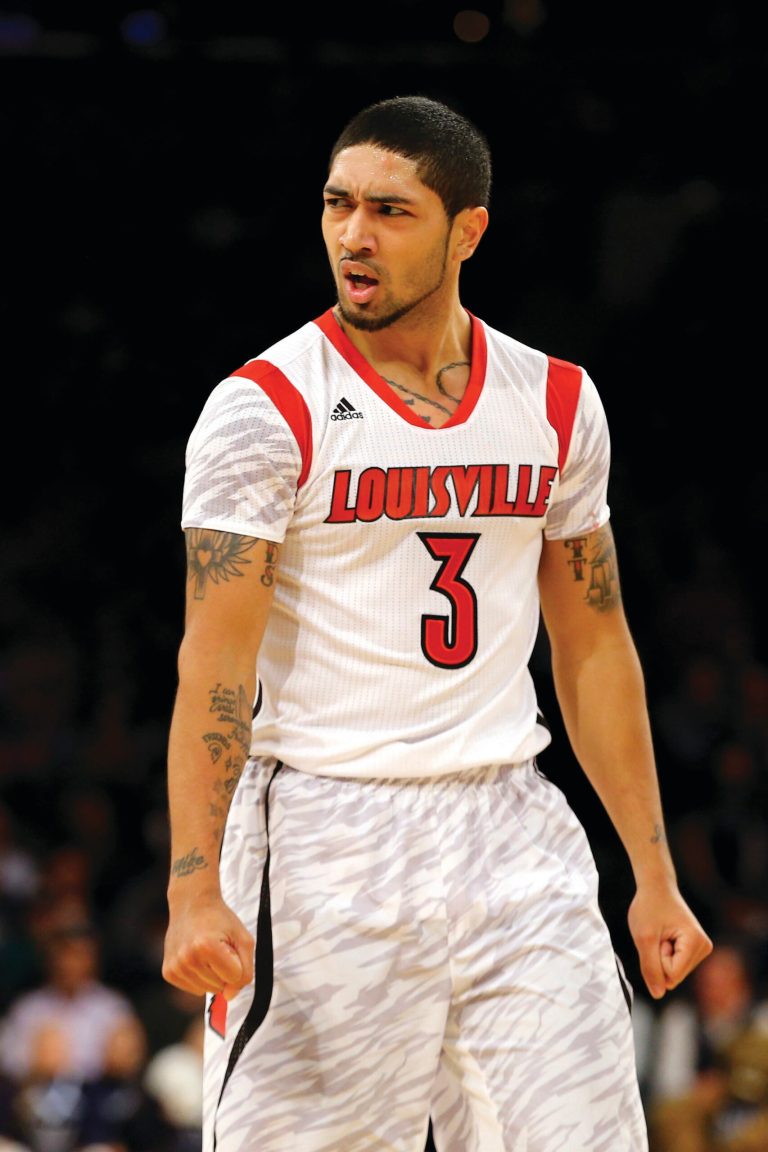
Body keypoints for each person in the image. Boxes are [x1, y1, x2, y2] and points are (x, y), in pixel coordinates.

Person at [161, 94, 713, 1152]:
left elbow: (594, 643)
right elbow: (215, 668)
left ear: (468, 230)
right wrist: (195, 886)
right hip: (325, 831)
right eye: (336, 205)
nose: (353, 236)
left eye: (390, 210)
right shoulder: (263, 408)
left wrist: (652, 874)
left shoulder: (555, 401)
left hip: (512, 826)